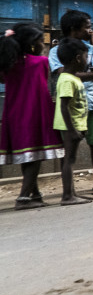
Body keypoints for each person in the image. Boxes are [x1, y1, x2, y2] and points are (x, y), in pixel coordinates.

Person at [0, 23, 65, 209]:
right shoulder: (40, 63)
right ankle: (22, 198)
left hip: (13, 114)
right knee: (34, 157)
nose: (43, 45)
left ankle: (34, 193)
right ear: (31, 44)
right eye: (39, 41)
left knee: (27, 155)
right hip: (34, 112)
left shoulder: (8, 65)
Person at [48, 10, 93, 195]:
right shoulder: (56, 50)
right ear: (74, 29)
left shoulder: (90, 48)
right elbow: (64, 74)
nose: (90, 31)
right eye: (87, 27)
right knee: (69, 150)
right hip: (72, 105)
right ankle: (69, 189)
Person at [53, 37, 93, 206]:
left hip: (75, 125)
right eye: (85, 56)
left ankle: (72, 193)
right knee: (69, 160)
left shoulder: (72, 77)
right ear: (78, 58)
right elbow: (63, 106)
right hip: (71, 126)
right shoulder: (67, 80)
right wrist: (72, 130)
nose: (87, 60)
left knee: (70, 160)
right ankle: (67, 196)